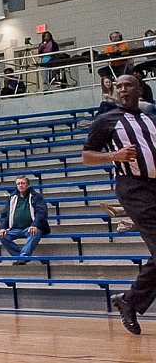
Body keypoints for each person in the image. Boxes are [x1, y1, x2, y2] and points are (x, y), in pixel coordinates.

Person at [82, 74, 156, 334]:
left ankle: (128, 301)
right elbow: (86, 156)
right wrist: (116, 155)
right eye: (119, 86)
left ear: (140, 90)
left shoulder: (150, 118)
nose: (123, 89)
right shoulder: (106, 120)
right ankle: (130, 301)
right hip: (133, 187)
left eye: (128, 85)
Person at [0, 176, 50, 265]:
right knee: (2, 236)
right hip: (15, 228)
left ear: (28, 185)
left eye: (23, 183)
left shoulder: (36, 196)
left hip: (31, 227)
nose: (20, 185)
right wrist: (2, 228)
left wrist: (35, 225)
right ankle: (20, 257)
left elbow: (42, 212)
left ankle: (23, 257)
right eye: (18, 183)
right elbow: (5, 215)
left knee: (35, 233)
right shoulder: (12, 198)